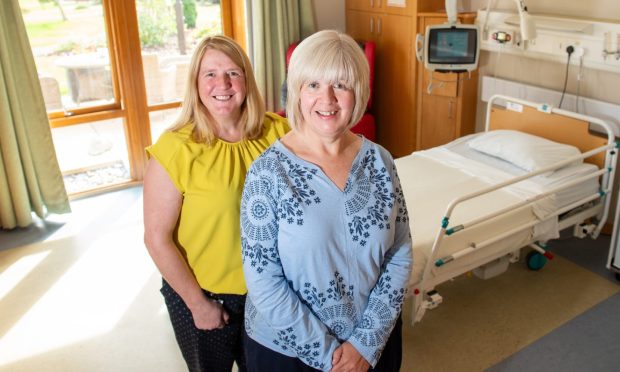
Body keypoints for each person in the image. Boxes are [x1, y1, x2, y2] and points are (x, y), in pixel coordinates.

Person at [240, 30, 413, 372]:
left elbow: (400, 250)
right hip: (288, 352)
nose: (328, 99)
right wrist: (330, 358)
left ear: (359, 92)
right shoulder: (268, 173)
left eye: (341, 85)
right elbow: (262, 278)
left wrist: (365, 343)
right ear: (297, 91)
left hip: (372, 344)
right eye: (313, 85)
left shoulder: (380, 161)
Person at [143, 35, 289, 372]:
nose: (222, 84)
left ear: (247, 80)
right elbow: (156, 238)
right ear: (195, 82)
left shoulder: (279, 133)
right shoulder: (175, 148)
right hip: (206, 296)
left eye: (233, 73)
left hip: (269, 293)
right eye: (210, 74)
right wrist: (198, 304)